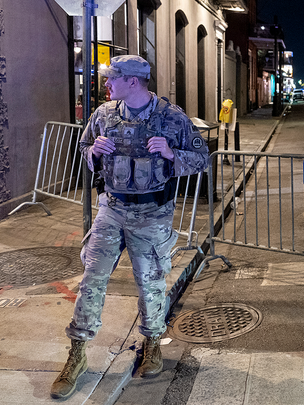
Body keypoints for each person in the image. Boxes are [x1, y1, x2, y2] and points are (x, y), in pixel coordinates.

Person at [51, 55, 209, 399]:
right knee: (91, 279)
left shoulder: (171, 118)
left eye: (112, 79)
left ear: (133, 81)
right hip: (112, 208)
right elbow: (82, 148)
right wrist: (92, 150)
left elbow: (202, 158)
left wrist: (171, 153)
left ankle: (152, 344)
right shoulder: (103, 115)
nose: (106, 84)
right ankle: (76, 354)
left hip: (152, 213)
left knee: (150, 283)